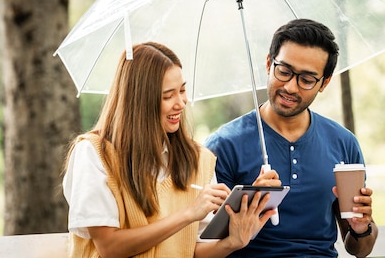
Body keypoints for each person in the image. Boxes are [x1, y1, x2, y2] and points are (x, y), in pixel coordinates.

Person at [62, 42, 276, 258]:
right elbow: (109, 248)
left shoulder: (198, 160)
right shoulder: (93, 154)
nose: (181, 103)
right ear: (139, 101)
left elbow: (194, 251)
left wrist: (233, 241)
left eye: (182, 90)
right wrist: (188, 213)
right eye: (168, 96)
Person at [205, 19, 378, 257]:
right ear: (269, 63)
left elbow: (359, 249)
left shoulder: (343, 143)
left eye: (306, 80)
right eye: (284, 71)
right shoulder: (222, 145)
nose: (290, 87)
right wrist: (249, 203)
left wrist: (361, 229)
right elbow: (207, 246)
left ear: (324, 83)